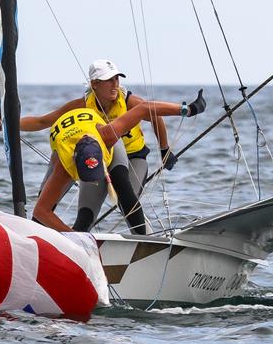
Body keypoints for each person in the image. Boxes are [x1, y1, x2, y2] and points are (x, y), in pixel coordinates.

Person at [32, 92, 206, 234]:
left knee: (124, 193)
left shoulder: (109, 134)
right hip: (72, 148)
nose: (114, 85)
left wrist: (188, 110)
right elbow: (41, 211)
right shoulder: (64, 166)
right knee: (83, 219)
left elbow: (146, 109)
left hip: (118, 151)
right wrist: (72, 238)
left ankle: (145, 240)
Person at [21, 59, 183, 196]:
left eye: (117, 79)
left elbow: (157, 116)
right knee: (62, 157)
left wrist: (164, 151)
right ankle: (43, 221)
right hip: (97, 158)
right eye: (109, 80)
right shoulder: (81, 106)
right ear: (94, 84)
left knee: (128, 200)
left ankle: (139, 230)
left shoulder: (130, 102)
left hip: (133, 157)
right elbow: (42, 122)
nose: (115, 85)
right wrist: (9, 123)